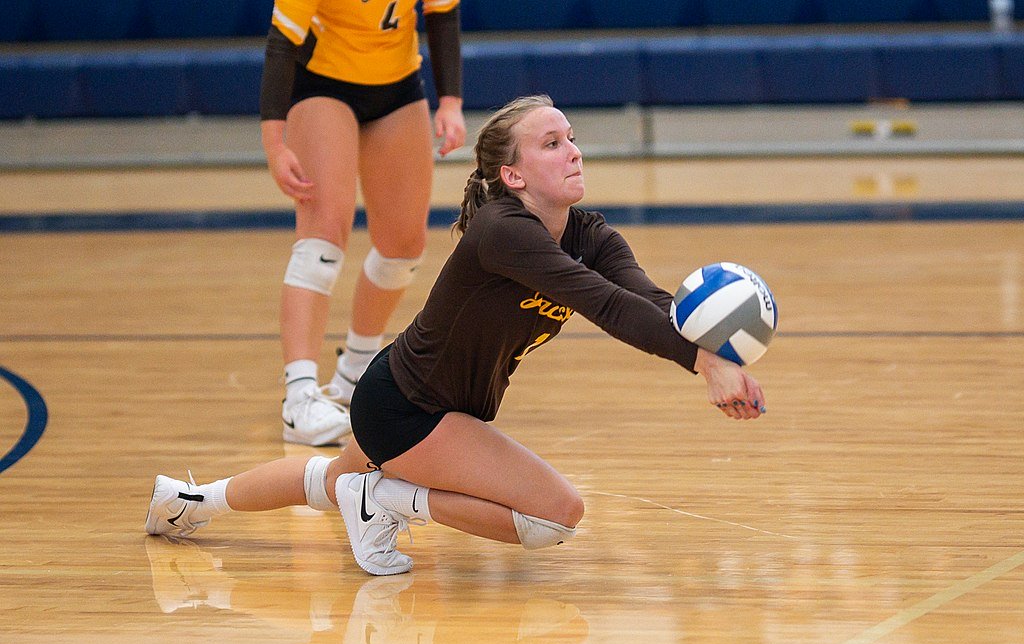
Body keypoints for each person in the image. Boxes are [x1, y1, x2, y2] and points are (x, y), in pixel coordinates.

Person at [146, 95, 767, 576]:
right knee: (556, 516)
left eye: (572, 138)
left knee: (331, 481)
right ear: (513, 175)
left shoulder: (590, 233)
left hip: (413, 399)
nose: (573, 151)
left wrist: (710, 351)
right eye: (551, 143)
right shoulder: (504, 232)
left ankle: (190, 502)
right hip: (408, 410)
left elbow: (647, 301)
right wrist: (703, 364)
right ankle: (389, 501)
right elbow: (601, 304)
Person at [262, 0, 466, 446]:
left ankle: (355, 373)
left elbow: (442, 12)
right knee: (322, 240)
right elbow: (281, 44)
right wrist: (275, 144)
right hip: (321, 84)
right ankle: (299, 400)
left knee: (404, 248)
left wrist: (450, 102)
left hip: (397, 87)